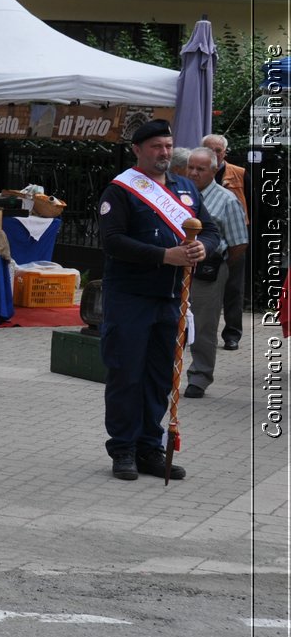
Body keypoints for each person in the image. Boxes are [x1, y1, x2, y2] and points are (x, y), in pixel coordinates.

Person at [97, 119, 220, 482]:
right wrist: (164, 256)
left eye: (168, 145)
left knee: (160, 377)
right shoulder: (120, 191)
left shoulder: (185, 188)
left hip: (171, 300)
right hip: (131, 298)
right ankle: (123, 449)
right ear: (138, 150)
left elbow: (210, 230)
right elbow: (113, 241)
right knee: (126, 375)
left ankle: (150, 446)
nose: (164, 152)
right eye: (156, 147)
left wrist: (202, 248)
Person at [181, 146, 248, 399]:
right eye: (191, 167)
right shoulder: (178, 194)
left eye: (201, 169)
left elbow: (239, 243)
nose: (194, 173)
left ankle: (199, 377)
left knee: (204, 326)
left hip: (208, 271)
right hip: (176, 267)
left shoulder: (226, 199)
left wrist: (218, 265)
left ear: (215, 170)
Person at [201, 134, 248, 351]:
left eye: (217, 151)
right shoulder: (195, 173)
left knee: (233, 289)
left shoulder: (239, 173)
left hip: (235, 238)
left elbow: (252, 204)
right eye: (209, 150)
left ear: (224, 153)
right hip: (207, 242)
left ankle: (232, 334)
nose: (214, 154)